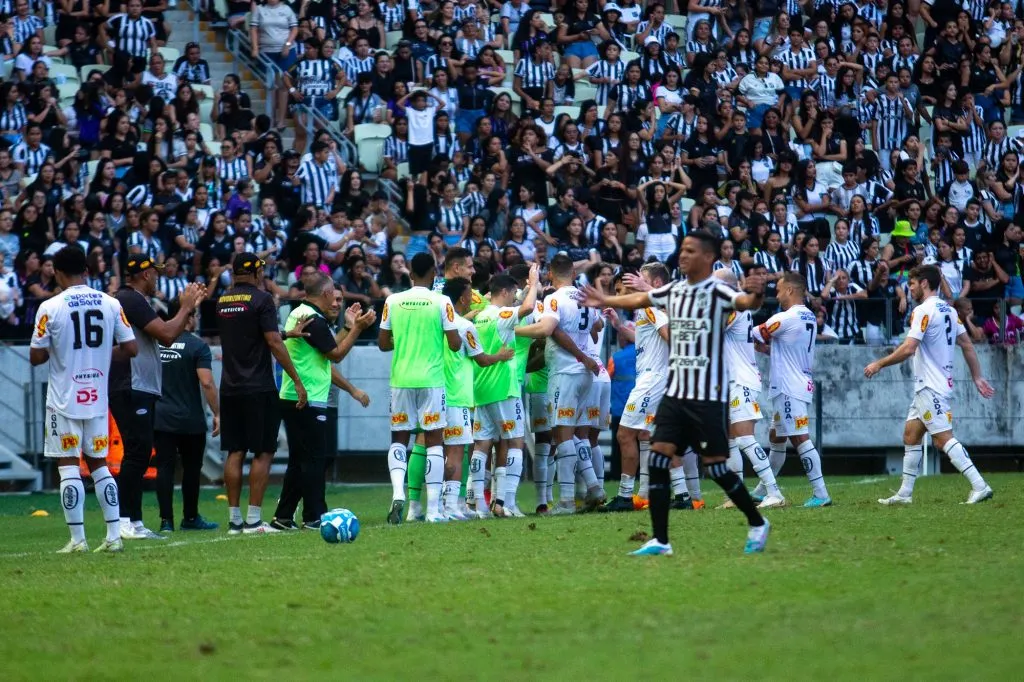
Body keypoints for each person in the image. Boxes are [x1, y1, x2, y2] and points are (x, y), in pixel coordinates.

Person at [580, 233, 771, 556]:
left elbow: (746, 303)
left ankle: (757, 521)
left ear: (708, 257)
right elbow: (639, 301)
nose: (682, 255)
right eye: (682, 250)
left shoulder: (718, 291)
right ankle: (661, 540)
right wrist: (604, 299)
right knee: (657, 458)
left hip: (707, 393)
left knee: (717, 467)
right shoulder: (675, 290)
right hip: (675, 391)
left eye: (690, 250)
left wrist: (757, 294)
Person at [29, 247, 138, 553]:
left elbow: (36, 357)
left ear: (57, 273)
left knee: (68, 467)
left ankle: (78, 540)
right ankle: (114, 536)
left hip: (64, 398)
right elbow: (131, 349)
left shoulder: (50, 306)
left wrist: (61, 350)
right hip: (97, 398)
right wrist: (101, 355)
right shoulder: (111, 303)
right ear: (87, 271)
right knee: (100, 465)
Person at [865, 265, 996, 505]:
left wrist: (879, 364)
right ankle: (905, 494)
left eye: (912, 284)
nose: (910, 288)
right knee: (911, 435)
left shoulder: (923, 310)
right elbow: (967, 344)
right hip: (932, 385)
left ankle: (979, 485)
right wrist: (977, 377)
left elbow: (909, 348)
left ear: (924, 283)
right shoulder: (949, 311)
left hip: (930, 386)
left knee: (942, 438)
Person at [271, 272, 376, 530]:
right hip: (307, 398)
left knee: (300, 460)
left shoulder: (301, 313)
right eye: (335, 297)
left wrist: (348, 327)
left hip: (295, 396)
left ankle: (283, 516)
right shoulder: (314, 320)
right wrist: (358, 328)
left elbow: (325, 349)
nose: (337, 302)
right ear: (327, 293)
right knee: (314, 460)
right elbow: (336, 355)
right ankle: (314, 516)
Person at [111, 257, 204, 541]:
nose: (157, 279)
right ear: (146, 274)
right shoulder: (131, 299)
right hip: (132, 384)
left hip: (138, 385)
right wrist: (185, 307)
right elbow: (166, 335)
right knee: (136, 453)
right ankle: (125, 520)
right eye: (155, 274)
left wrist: (187, 307)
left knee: (139, 454)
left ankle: (134, 521)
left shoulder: (133, 299)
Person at [216, 254, 307, 535]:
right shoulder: (263, 299)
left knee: (235, 451)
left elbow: (250, 333)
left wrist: (287, 333)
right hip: (258, 386)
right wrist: (296, 380)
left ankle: (234, 521)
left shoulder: (223, 300)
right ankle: (254, 520)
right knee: (263, 451)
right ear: (256, 272)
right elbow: (272, 341)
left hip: (229, 387)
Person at [515, 254, 604, 514]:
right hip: (585, 375)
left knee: (562, 435)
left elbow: (547, 330)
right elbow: (598, 325)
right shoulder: (584, 296)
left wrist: (512, 329)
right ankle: (594, 486)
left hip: (565, 372)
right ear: (573, 274)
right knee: (576, 433)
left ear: (550, 275)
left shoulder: (554, 299)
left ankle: (566, 500)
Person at [377, 252, 461, 524]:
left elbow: (383, 343)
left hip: (401, 379)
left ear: (410, 274)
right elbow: (455, 344)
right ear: (434, 275)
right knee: (434, 440)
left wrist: (403, 342)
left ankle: (398, 493)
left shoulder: (392, 300)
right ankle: (434, 510)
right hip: (431, 380)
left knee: (399, 438)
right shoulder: (442, 301)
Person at [751, 272, 832, 508]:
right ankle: (763, 489)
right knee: (777, 436)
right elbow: (787, 348)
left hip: (789, 386)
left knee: (799, 438)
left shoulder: (787, 317)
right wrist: (769, 350)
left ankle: (821, 493)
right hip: (795, 382)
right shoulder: (808, 316)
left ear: (789, 290)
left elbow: (753, 332)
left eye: (778, 290)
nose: (776, 295)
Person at [440, 277, 515, 519]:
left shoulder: (437, 322)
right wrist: (500, 356)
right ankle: (451, 505)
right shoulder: (464, 327)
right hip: (458, 396)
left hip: (436, 392)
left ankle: (444, 504)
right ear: (463, 298)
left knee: (438, 449)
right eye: (468, 294)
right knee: (455, 451)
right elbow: (481, 359)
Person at [469, 268, 538, 518]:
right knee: (515, 441)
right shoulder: (501, 314)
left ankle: (479, 505)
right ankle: (507, 503)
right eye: (513, 293)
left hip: (481, 388)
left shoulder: (479, 317)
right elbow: (527, 308)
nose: (514, 298)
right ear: (505, 292)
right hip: (504, 388)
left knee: (481, 444)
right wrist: (534, 283)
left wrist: (525, 290)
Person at [714, 268, 785, 509]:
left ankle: (774, 492)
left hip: (740, 380)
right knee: (731, 439)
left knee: (745, 439)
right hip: (730, 380)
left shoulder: (734, 308)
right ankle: (736, 495)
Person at [603, 263, 670, 513]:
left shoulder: (652, 307)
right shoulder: (645, 310)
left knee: (624, 434)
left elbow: (670, 336)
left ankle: (624, 496)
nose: (620, 295)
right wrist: (619, 326)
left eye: (621, 290)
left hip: (653, 379)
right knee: (645, 435)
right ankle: (648, 493)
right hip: (652, 377)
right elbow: (644, 339)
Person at [153, 299, 220, 533]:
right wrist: (217, 413)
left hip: (160, 416)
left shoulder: (156, 343)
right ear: (187, 317)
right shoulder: (197, 346)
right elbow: (207, 382)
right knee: (191, 469)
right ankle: (190, 517)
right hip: (190, 418)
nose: (197, 319)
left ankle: (166, 521)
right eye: (195, 314)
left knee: (164, 468)